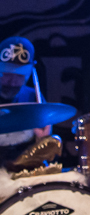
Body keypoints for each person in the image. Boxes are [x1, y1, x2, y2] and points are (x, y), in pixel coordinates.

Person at [0, 37, 53, 167]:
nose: (12, 82)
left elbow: (44, 149)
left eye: (19, 76)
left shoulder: (34, 98)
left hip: (23, 170)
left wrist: (43, 140)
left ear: (29, 75)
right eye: (6, 74)